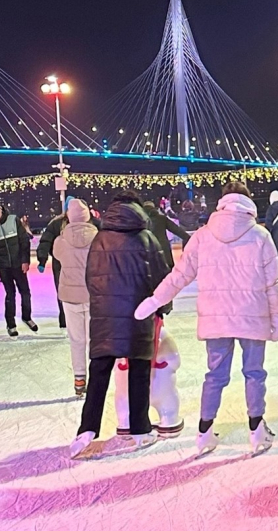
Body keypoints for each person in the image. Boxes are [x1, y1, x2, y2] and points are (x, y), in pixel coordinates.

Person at [135, 181, 278, 456]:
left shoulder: (203, 236)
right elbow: (270, 283)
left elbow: (179, 275)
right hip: (253, 316)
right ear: (248, 202)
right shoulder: (260, 236)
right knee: (254, 373)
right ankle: (256, 430)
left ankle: (204, 433)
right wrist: (276, 316)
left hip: (215, 319)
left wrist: (157, 299)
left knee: (215, 376)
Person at [69, 192, 171, 459]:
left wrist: (103, 303)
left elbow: (91, 276)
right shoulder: (146, 238)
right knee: (138, 370)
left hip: (105, 315)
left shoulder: (100, 238)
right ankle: (140, 430)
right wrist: (161, 307)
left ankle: (86, 430)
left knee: (100, 372)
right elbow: (161, 277)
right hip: (138, 313)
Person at [53, 198, 98, 396]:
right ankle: (97, 379)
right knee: (94, 339)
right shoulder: (98, 237)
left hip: (70, 296)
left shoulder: (61, 240)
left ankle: (80, 380)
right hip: (93, 294)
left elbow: (57, 255)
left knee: (76, 339)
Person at [37, 196, 100, 331]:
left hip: (86, 263)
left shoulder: (94, 222)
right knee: (65, 293)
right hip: (61, 264)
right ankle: (64, 323)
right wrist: (42, 258)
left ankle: (91, 324)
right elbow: (46, 240)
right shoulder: (56, 223)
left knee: (86, 292)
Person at [0, 198, 38, 337]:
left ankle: (27, 317)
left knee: (25, 292)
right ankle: (11, 324)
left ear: (1, 209)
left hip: (18, 263)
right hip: (3, 267)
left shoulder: (13, 220)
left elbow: (24, 241)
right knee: (10, 294)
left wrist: (25, 260)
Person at [142, 199, 190, 269]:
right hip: (163, 250)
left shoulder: (140, 220)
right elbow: (177, 230)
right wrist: (189, 238)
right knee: (167, 274)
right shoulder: (162, 219)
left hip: (146, 251)